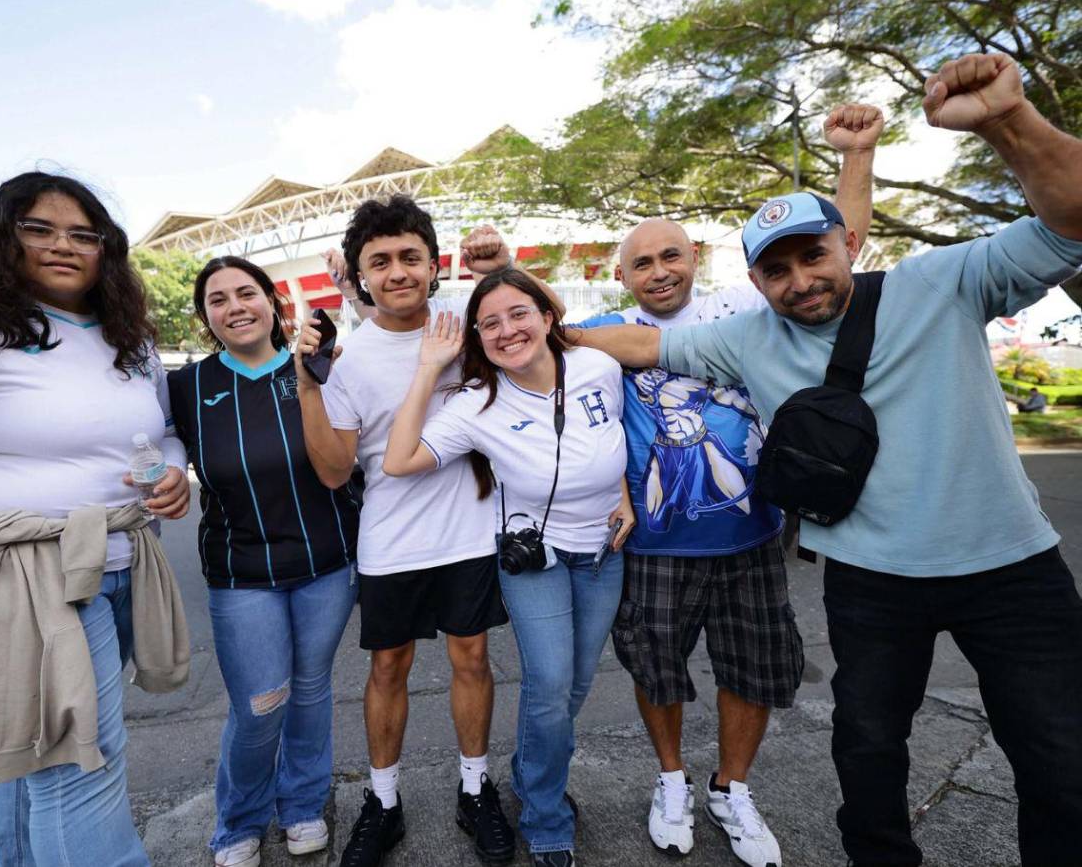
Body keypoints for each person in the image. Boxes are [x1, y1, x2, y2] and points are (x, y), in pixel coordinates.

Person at [572, 53, 1082, 866]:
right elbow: (640, 342)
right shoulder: (747, 335)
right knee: (869, 756)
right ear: (754, 279)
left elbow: (1069, 220)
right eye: (777, 269)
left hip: (1009, 567)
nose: (801, 281)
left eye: (814, 256)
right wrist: (521, 333)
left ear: (849, 241)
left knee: (1059, 759)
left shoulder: (943, 281)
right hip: (868, 576)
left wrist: (1006, 121)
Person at [573, 103, 881, 867]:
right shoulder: (603, 333)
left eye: (670, 256)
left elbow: (842, 241)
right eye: (641, 263)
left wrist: (856, 156)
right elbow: (530, 356)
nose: (658, 272)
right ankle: (671, 778)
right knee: (657, 668)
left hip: (752, 538)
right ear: (621, 275)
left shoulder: (748, 305)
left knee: (754, 669)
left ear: (696, 258)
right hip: (655, 546)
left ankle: (731, 787)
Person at [0, 172, 191, 867]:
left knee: (42, 761)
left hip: (114, 566)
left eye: (84, 234)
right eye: (40, 229)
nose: (64, 246)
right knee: (83, 762)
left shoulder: (127, 336)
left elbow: (161, 429)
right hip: (18, 579)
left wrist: (170, 469)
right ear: (0, 235)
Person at [295, 197, 534, 867]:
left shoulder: (472, 327)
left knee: (472, 661)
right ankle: (383, 800)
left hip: (468, 531)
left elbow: (539, 341)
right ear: (361, 274)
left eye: (409, 257)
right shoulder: (348, 359)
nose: (397, 271)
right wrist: (307, 385)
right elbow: (336, 470)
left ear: (434, 264)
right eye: (381, 261)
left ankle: (474, 788)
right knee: (388, 667)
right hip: (391, 539)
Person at [382, 269, 635, 867]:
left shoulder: (600, 370)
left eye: (519, 313)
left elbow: (610, 441)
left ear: (548, 317)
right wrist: (427, 368)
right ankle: (546, 815)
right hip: (536, 559)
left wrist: (622, 495)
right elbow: (398, 460)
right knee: (549, 685)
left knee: (572, 685)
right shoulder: (477, 404)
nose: (507, 330)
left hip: (604, 551)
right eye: (489, 323)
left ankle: (530, 770)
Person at [167, 256, 361, 867]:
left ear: (272, 302)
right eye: (218, 300)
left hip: (326, 564)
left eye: (246, 293)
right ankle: (238, 822)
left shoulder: (319, 368)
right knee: (260, 703)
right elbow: (163, 446)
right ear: (206, 318)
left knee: (309, 691)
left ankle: (303, 805)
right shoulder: (185, 388)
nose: (234, 307)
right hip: (241, 573)